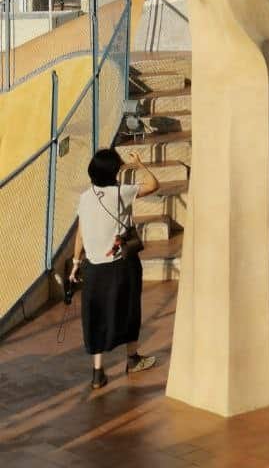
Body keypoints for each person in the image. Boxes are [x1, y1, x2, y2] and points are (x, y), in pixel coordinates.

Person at [69, 147, 159, 389]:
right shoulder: (122, 192)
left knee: (95, 316)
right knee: (129, 309)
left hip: (94, 267)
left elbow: (81, 233)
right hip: (122, 266)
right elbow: (153, 185)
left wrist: (76, 263)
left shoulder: (85, 197)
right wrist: (139, 164)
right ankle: (132, 359)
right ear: (113, 171)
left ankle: (98, 373)